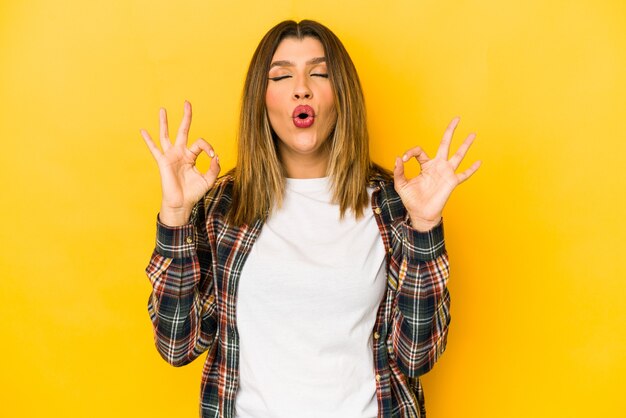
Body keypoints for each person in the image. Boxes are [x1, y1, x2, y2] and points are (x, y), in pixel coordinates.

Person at [140, 19, 480, 418]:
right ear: (260, 99)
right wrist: (176, 217)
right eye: (281, 76)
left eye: (319, 73)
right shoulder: (223, 206)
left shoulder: (391, 205)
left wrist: (424, 227)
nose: (302, 86)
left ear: (342, 95)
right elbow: (177, 345)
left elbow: (417, 355)